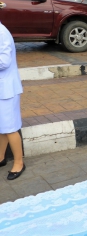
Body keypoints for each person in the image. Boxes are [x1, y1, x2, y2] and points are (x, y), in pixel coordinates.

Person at [0, 22, 25, 180]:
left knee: (10, 127)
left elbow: (4, 61)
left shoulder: (1, 33)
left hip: (7, 89)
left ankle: (19, 163)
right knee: (2, 125)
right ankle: (1, 157)